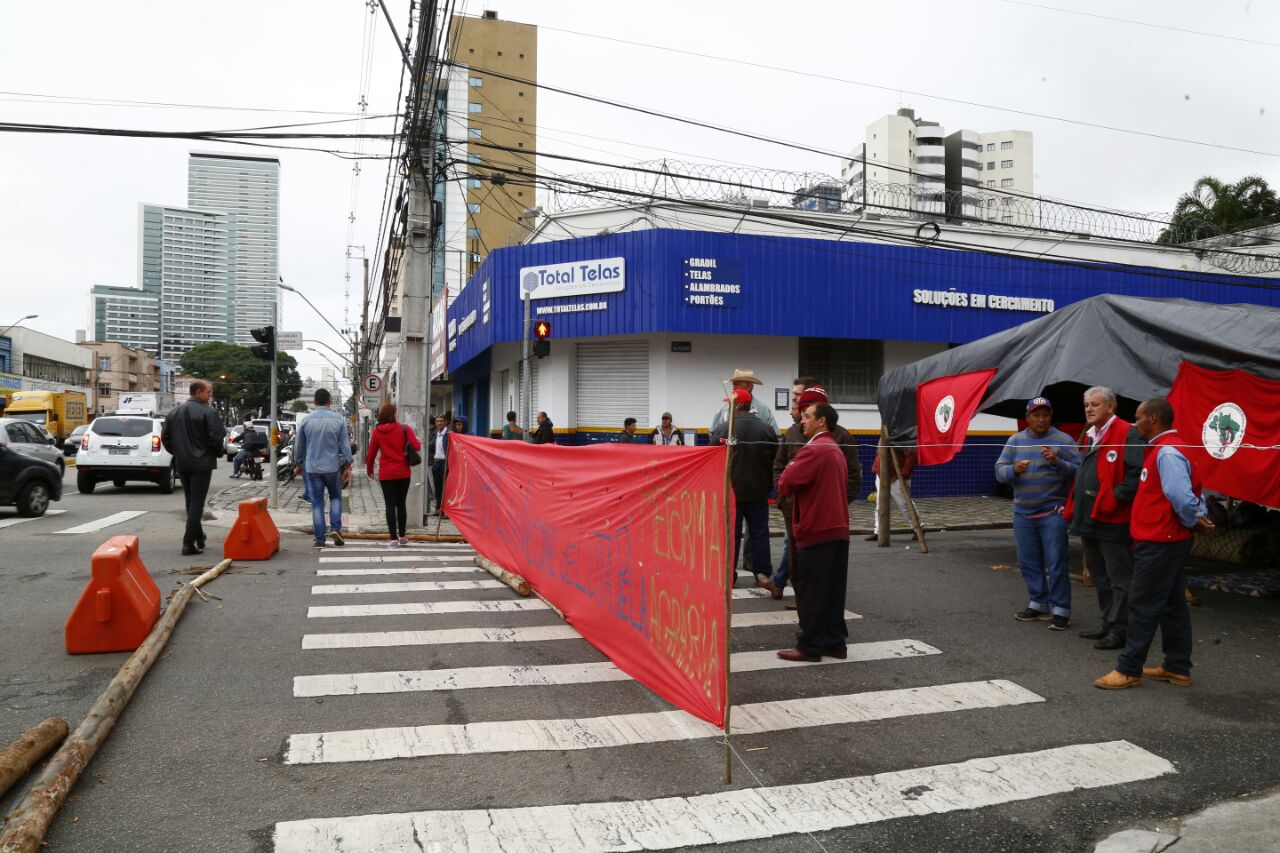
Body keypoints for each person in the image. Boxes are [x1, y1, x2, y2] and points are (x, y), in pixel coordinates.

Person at [1095, 398, 1213, 690]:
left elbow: (1181, 495)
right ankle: (1177, 667)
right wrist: (1195, 517)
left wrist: (1193, 520)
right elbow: (1190, 493)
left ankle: (1128, 669)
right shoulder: (1167, 448)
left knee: (1142, 603)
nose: (1135, 423)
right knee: (1172, 605)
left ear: (1153, 419)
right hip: (1165, 539)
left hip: (1161, 540)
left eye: (1138, 417)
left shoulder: (1167, 452)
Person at [765, 382, 861, 602]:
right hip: (793, 510)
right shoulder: (792, 433)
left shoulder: (842, 437)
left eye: (809, 412)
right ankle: (801, 600)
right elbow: (779, 468)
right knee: (794, 555)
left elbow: (854, 478)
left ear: (822, 417)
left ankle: (815, 605)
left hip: (824, 517)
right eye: (803, 411)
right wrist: (783, 500)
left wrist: (835, 503)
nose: (804, 417)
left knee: (822, 564)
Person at [1066, 386, 1143, 651]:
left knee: (1120, 578)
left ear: (1111, 406)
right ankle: (1107, 622)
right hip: (1089, 517)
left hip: (1114, 519)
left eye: (1095, 404)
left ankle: (1121, 630)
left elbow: (1137, 474)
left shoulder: (1128, 432)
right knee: (1099, 575)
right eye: (1087, 404)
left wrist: (1115, 498)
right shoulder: (1090, 435)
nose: (1089, 409)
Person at [995, 397, 1082, 631]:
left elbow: (1080, 472)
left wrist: (1057, 462)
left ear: (1051, 417)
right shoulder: (1015, 441)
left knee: (1056, 562)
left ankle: (1061, 610)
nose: (1041, 419)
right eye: (1036, 415)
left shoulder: (1064, 440)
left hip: (1052, 511)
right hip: (1023, 512)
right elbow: (999, 471)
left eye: (1045, 415)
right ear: (1028, 417)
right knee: (1028, 561)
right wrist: (1013, 470)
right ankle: (1038, 603)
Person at [776, 401, 850, 662]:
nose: (802, 420)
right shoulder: (834, 449)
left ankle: (810, 646)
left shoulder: (814, 449)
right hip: (837, 528)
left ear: (822, 421)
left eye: (807, 416)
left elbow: (785, 481)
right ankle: (834, 642)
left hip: (816, 528)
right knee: (832, 592)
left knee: (812, 592)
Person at [711, 388, 778, 587]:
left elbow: (711, 459)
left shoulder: (723, 429)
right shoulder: (767, 429)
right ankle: (762, 573)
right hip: (759, 492)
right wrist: (767, 485)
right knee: (760, 533)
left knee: (731, 535)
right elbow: (775, 461)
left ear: (736, 405)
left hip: (731, 493)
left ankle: (728, 575)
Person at [161, 379, 226, 556]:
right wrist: (217, 453)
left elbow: (165, 437)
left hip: (183, 462)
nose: (210, 395)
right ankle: (188, 543)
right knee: (196, 502)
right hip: (202, 463)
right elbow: (216, 438)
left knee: (190, 501)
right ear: (198, 392)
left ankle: (198, 536)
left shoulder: (174, 412)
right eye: (208, 392)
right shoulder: (209, 412)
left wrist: (178, 452)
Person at [294, 388, 353, 547]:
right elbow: (345, 445)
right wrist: (348, 464)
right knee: (335, 498)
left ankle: (320, 539)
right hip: (333, 467)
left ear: (314, 401)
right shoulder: (339, 420)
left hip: (312, 468)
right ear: (329, 401)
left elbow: (299, 446)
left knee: (317, 504)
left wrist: (299, 463)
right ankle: (335, 529)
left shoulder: (306, 420)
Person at [366, 403, 421, 547]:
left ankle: (393, 539)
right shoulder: (405, 428)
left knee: (389, 505)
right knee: (401, 504)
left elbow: (371, 454)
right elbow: (416, 446)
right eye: (395, 413)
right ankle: (402, 536)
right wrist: (413, 441)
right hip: (403, 472)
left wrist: (369, 470)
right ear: (393, 414)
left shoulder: (377, 432)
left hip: (386, 474)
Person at [868, 445, 920, 540]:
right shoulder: (884, 437)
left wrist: (904, 474)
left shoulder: (905, 439)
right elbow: (879, 452)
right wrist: (876, 467)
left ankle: (918, 528)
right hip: (882, 475)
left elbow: (912, 455)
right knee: (880, 505)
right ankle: (878, 531)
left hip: (897, 477)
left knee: (904, 504)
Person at [709, 368, 780, 438]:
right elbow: (712, 434)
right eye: (733, 385)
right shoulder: (724, 409)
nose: (733, 388)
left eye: (736, 384)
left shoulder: (763, 410)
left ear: (749, 386)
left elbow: (776, 436)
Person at [428, 415, 449, 516]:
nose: (439, 423)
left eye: (441, 421)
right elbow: (431, 446)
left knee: (445, 488)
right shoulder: (435, 434)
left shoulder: (448, 434)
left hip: (445, 463)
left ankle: (445, 509)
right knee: (437, 488)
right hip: (436, 463)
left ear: (445, 422)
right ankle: (438, 508)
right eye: (438, 421)